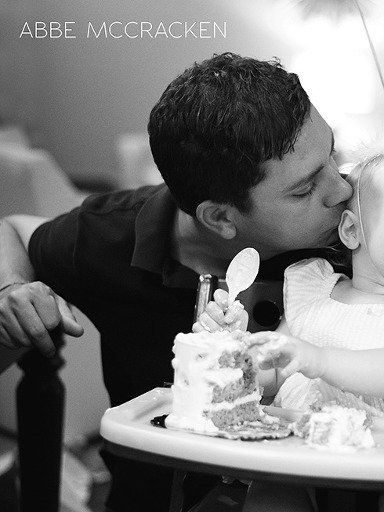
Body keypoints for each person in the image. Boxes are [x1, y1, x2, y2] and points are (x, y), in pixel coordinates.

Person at [0, 52, 353, 512]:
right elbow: (14, 230)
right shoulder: (112, 236)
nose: (342, 189)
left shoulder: (355, 234)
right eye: (304, 189)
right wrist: (10, 289)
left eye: (332, 154)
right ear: (221, 218)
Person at [199, 139, 384, 511]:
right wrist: (236, 350)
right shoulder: (312, 290)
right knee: (271, 494)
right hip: (303, 439)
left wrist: (321, 360)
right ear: (352, 231)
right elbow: (273, 376)